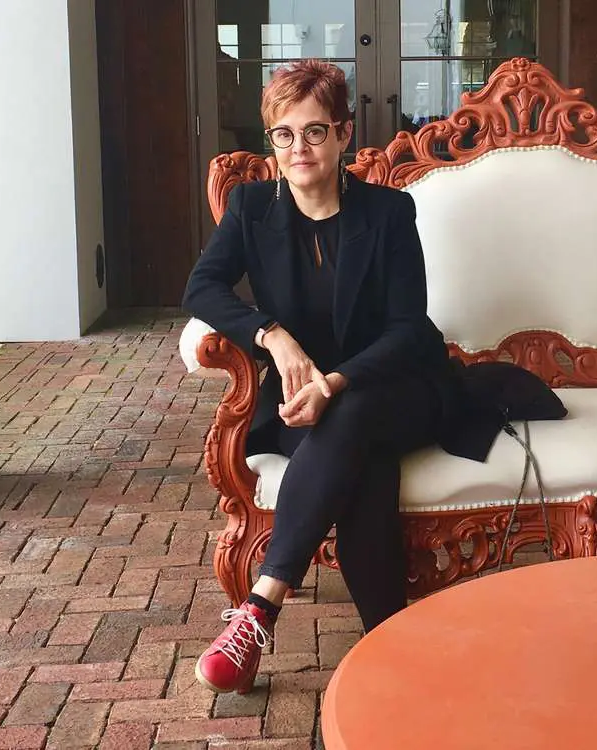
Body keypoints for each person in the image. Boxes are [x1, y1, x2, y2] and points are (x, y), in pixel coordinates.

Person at [183, 59, 454, 695]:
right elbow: (202, 288)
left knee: (352, 414)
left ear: (343, 135)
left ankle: (260, 606)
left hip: (393, 386)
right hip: (304, 402)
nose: (298, 148)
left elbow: (409, 328)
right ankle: (390, 641)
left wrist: (335, 382)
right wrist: (272, 336)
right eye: (284, 133)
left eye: (314, 131)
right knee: (364, 467)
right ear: (271, 139)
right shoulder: (251, 208)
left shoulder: (388, 213)